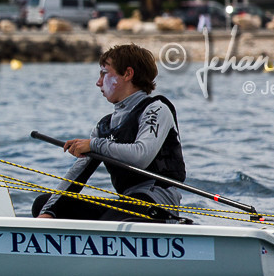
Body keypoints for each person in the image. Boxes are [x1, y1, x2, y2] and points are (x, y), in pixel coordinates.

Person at [31, 43, 184, 221]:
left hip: (157, 204)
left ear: (127, 74)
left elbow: (141, 156)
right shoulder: (104, 125)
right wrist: (49, 212)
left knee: (110, 221)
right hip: (128, 201)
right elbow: (77, 174)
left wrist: (94, 145)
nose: (98, 82)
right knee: (44, 203)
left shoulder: (156, 109)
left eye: (104, 73)